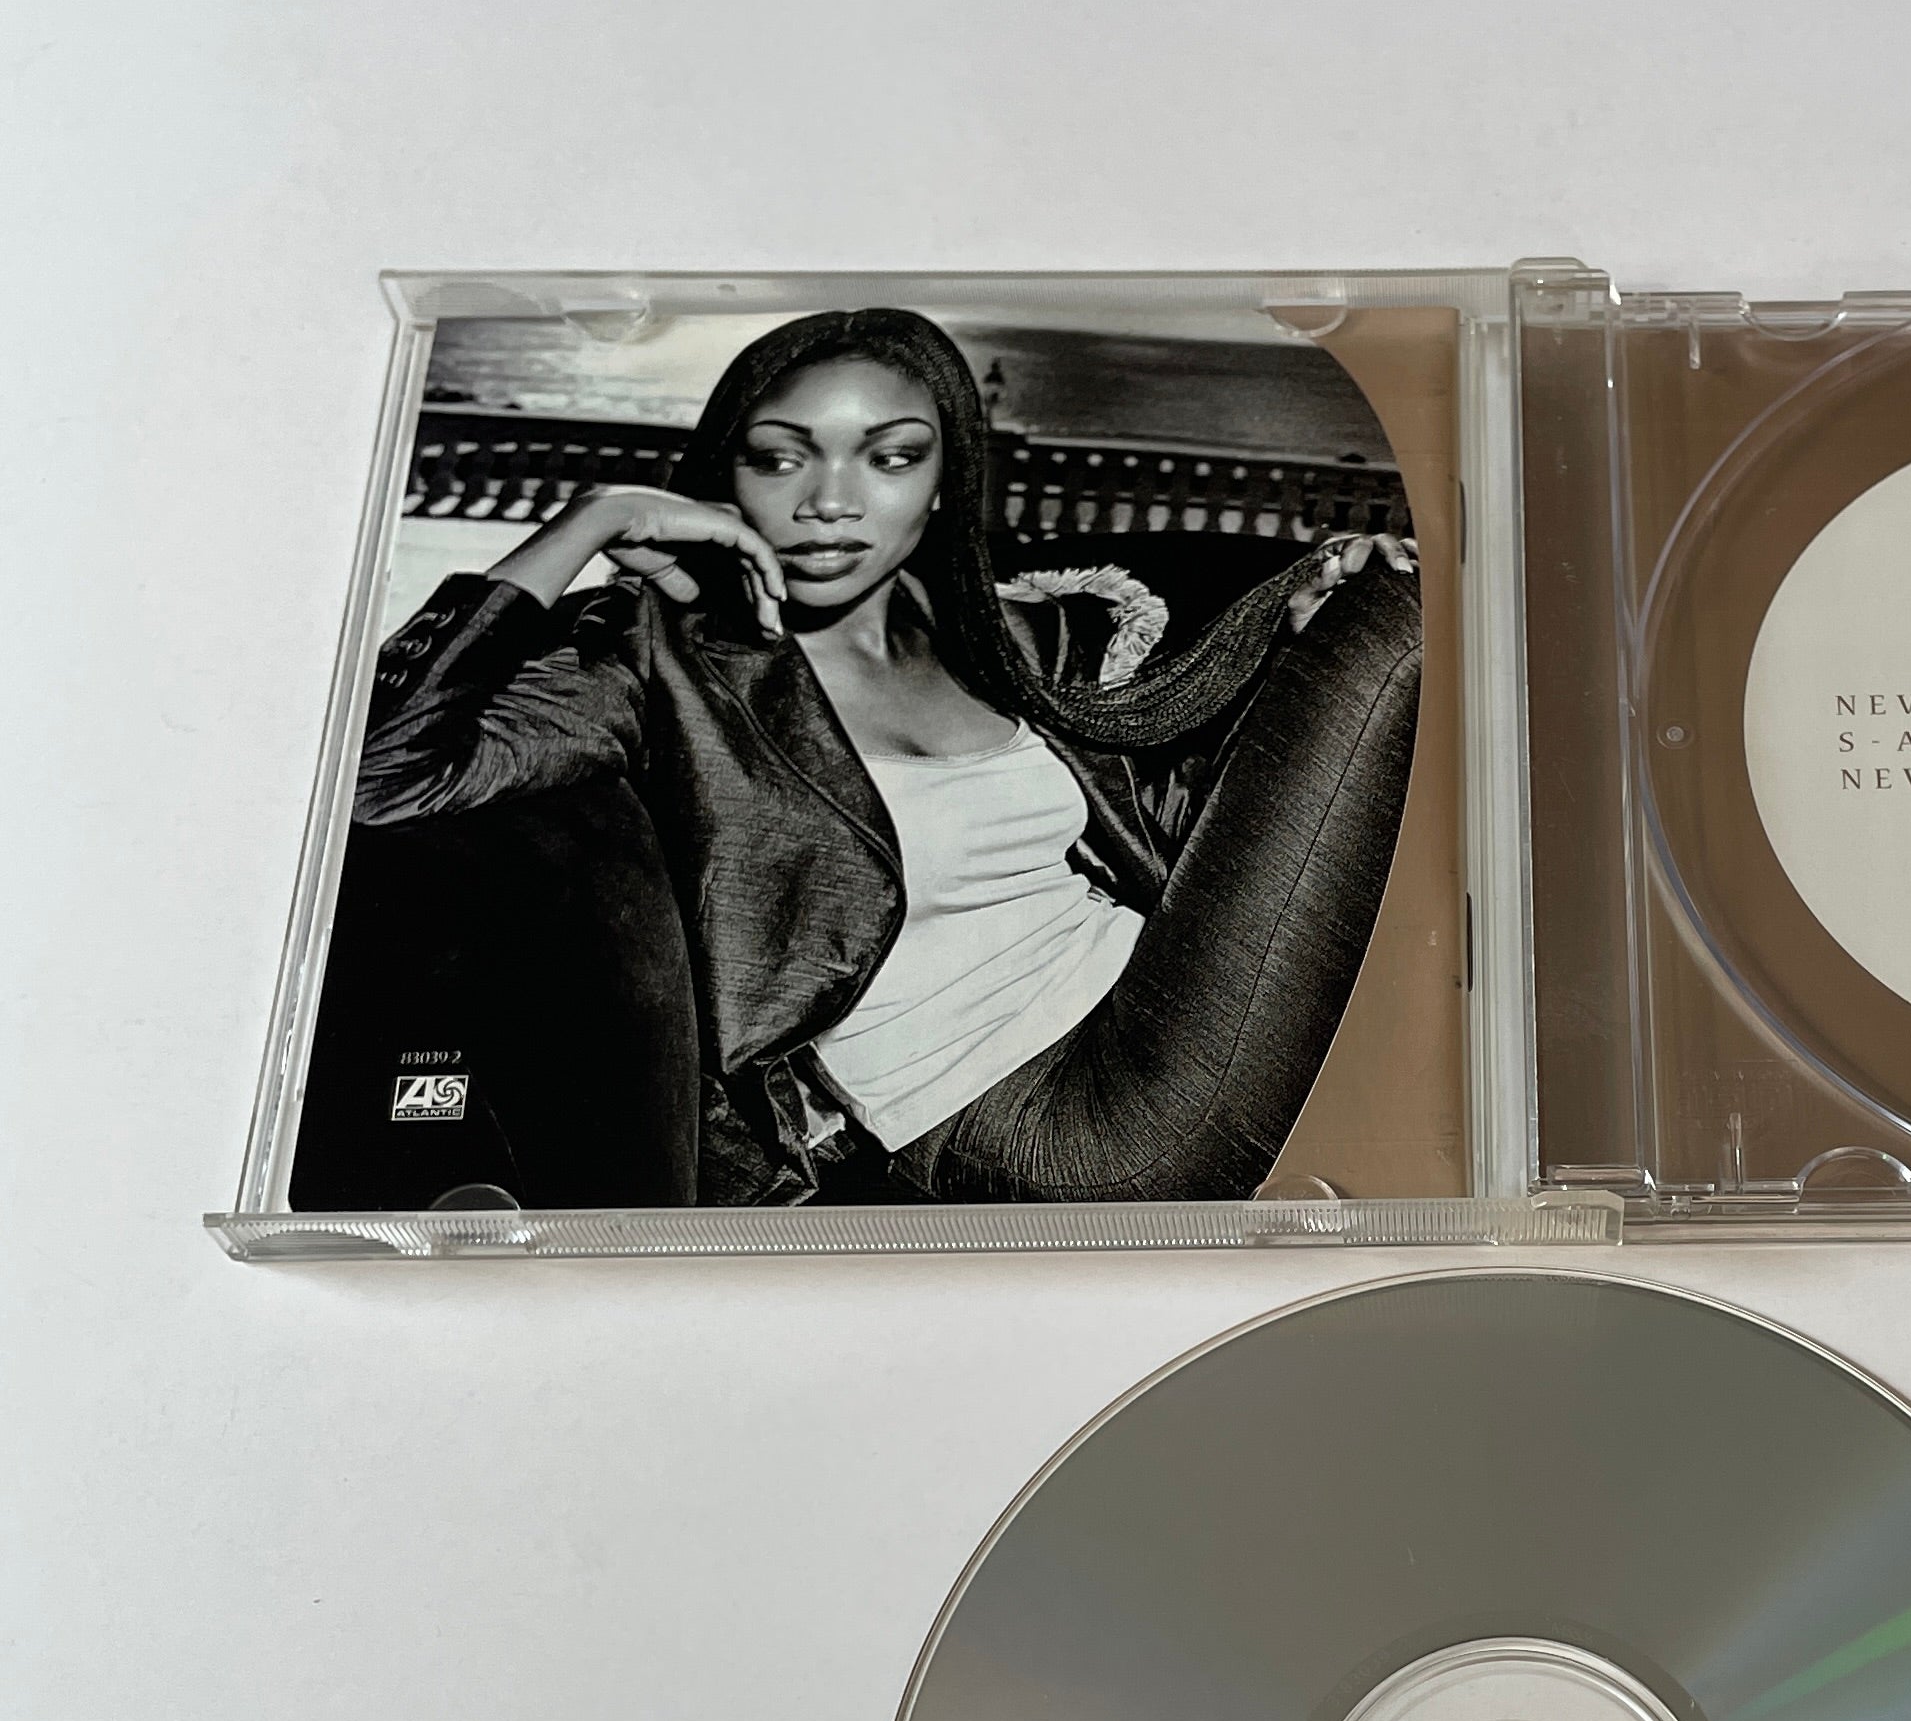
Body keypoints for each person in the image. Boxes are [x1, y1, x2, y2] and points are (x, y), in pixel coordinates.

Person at [351, 308, 1421, 1202]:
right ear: (724, 476)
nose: (830, 501)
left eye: (892, 457)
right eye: (781, 457)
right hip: (1057, 1121)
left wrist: (1298, 651)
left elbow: (1164, 819)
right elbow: (384, 774)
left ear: (946, 481)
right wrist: (590, 520)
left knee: (1384, 597)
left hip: (1155, 993)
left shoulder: (996, 637)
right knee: (1407, 618)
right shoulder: (657, 660)